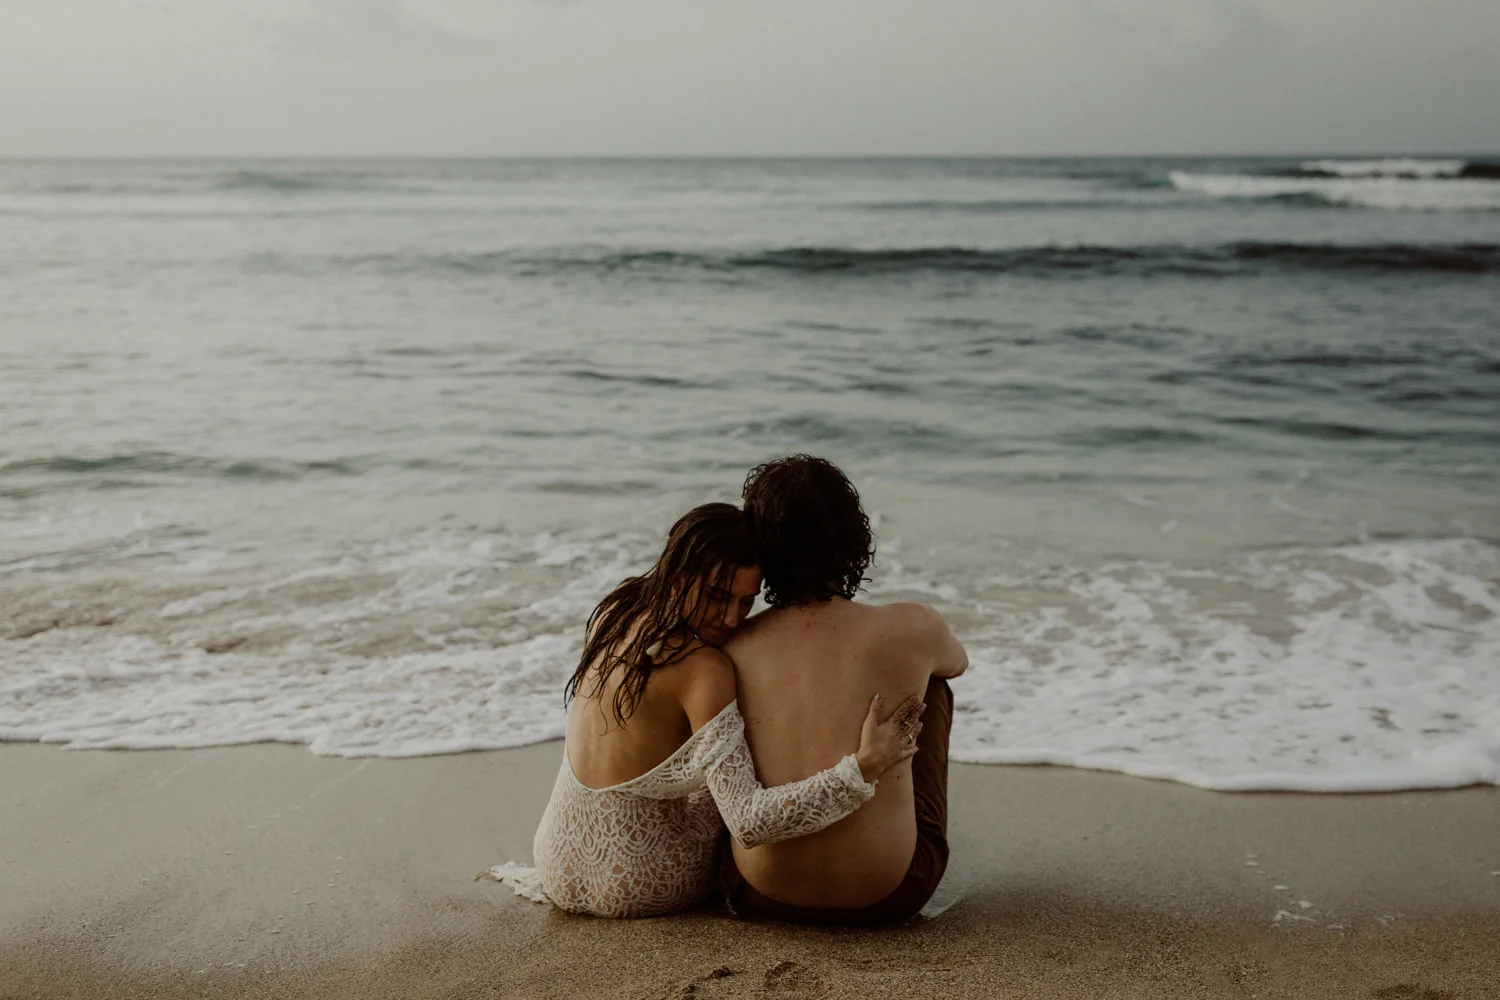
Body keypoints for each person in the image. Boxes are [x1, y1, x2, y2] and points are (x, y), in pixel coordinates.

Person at [487, 502, 922, 917]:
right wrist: (862, 768)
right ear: (678, 575)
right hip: (643, 885)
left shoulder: (617, 608)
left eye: (747, 601)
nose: (731, 618)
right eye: (717, 596)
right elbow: (747, 821)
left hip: (557, 864)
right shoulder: (702, 669)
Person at [722, 456, 968, 925]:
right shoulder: (912, 626)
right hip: (890, 894)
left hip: (757, 891)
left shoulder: (733, 643)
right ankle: (883, 837)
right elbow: (959, 662)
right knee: (934, 682)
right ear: (854, 537)